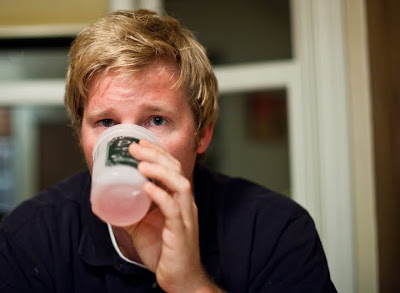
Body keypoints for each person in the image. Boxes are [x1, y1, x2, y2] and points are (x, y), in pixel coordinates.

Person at [0, 9, 337, 293]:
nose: (128, 145)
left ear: (202, 135)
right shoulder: (30, 238)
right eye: (105, 122)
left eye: (156, 119)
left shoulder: (275, 230)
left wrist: (190, 284)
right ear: (81, 136)